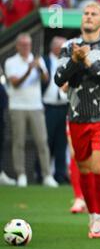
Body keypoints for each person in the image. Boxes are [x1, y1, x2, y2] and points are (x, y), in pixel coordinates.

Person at [54, 2, 100, 238]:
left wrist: (88, 63)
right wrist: (74, 59)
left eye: (94, 14)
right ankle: (92, 214)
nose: (89, 17)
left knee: (99, 166)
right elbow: (58, 78)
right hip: (76, 115)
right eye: (86, 13)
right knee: (83, 169)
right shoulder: (68, 46)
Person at [4, 33, 58, 188]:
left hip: (36, 106)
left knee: (42, 142)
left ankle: (47, 175)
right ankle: (21, 174)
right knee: (18, 142)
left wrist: (39, 68)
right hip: (18, 107)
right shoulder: (10, 62)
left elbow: (45, 79)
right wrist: (28, 70)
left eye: (28, 45)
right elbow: (15, 83)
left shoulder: (37, 60)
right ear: (17, 46)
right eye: (23, 45)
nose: (26, 47)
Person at [42, 36, 69, 184]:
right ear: (53, 47)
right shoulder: (44, 60)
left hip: (64, 106)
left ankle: (60, 174)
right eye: (60, 46)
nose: (63, 49)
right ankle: (43, 173)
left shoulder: (68, 62)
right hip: (49, 106)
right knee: (47, 141)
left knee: (62, 142)